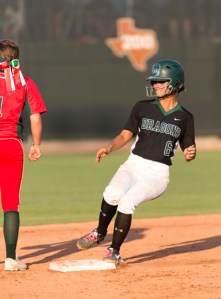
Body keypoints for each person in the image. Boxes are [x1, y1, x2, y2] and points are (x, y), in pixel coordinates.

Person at [76, 59, 196, 264]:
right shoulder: (142, 107)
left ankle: (114, 251)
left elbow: (188, 147)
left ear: (175, 83)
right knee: (112, 193)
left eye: (161, 81)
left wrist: (190, 153)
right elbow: (125, 135)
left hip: (157, 174)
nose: (155, 85)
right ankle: (99, 233)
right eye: (154, 81)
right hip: (133, 164)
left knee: (127, 202)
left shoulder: (185, 117)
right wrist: (109, 148)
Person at [0, 39, 47, 271]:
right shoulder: (23, 82)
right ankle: (10, 259)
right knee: (10, 203)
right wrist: (36, 145)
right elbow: (35, 117)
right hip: (11, 144)